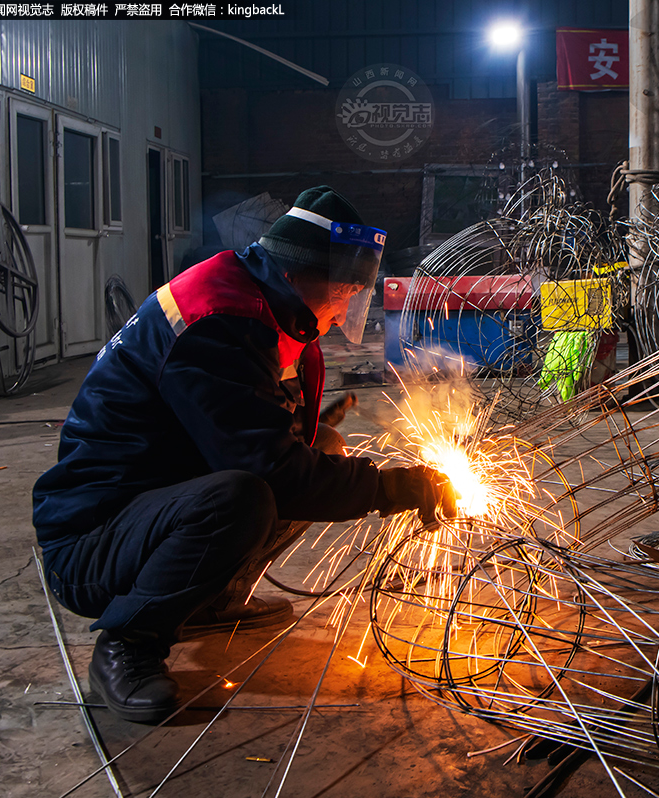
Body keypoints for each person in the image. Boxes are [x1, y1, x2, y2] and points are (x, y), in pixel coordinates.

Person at [32, 187, 453, 724]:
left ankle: (212, 599)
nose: (346, 305)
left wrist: (306, 431)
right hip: (94, 540)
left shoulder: (268, 308)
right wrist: (396, 487)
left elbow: (260, 435)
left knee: (320, 448)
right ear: (293, 274)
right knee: (244, 497)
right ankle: (128, 642)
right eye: (341, 290)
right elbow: (272, 471)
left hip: (153, 506)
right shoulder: (217, 320)